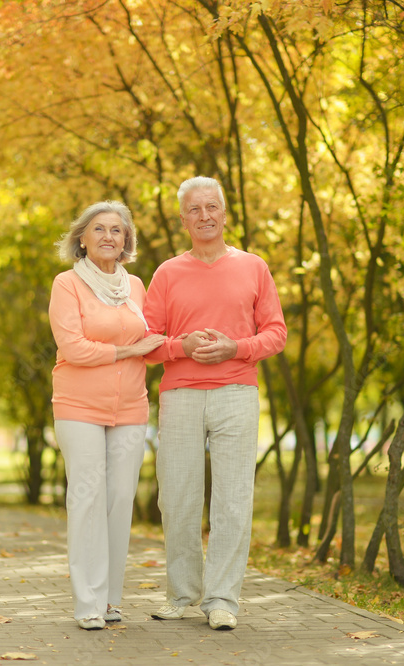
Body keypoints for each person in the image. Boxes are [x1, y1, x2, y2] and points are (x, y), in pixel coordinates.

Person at [143, 176, 287, 631]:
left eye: (212, 207)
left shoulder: (254, 267)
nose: (204, 216)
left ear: (225, 213)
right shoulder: (167, 273)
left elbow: (277, 333)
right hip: (181, 397)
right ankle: (182, 593)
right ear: (183, 218)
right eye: (194, 209)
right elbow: (145, 343)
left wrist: (237, 348)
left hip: (236, 393)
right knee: (178, 499)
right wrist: (180, 347)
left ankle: (222, 599)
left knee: (232, 500)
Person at [48, 200, 166, 630]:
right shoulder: (67, 284)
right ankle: (88, 604)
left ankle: (112, 599)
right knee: (87, 497)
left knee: (119, 500)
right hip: (79, 406)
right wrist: (129, 350)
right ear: (82, 238)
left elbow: (151, 343)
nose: (108, 237)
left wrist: (184, 343)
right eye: (99, 229)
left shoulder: (135, 287)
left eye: (117, 231)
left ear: (126, 241)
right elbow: (73, 348)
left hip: (132, 406)